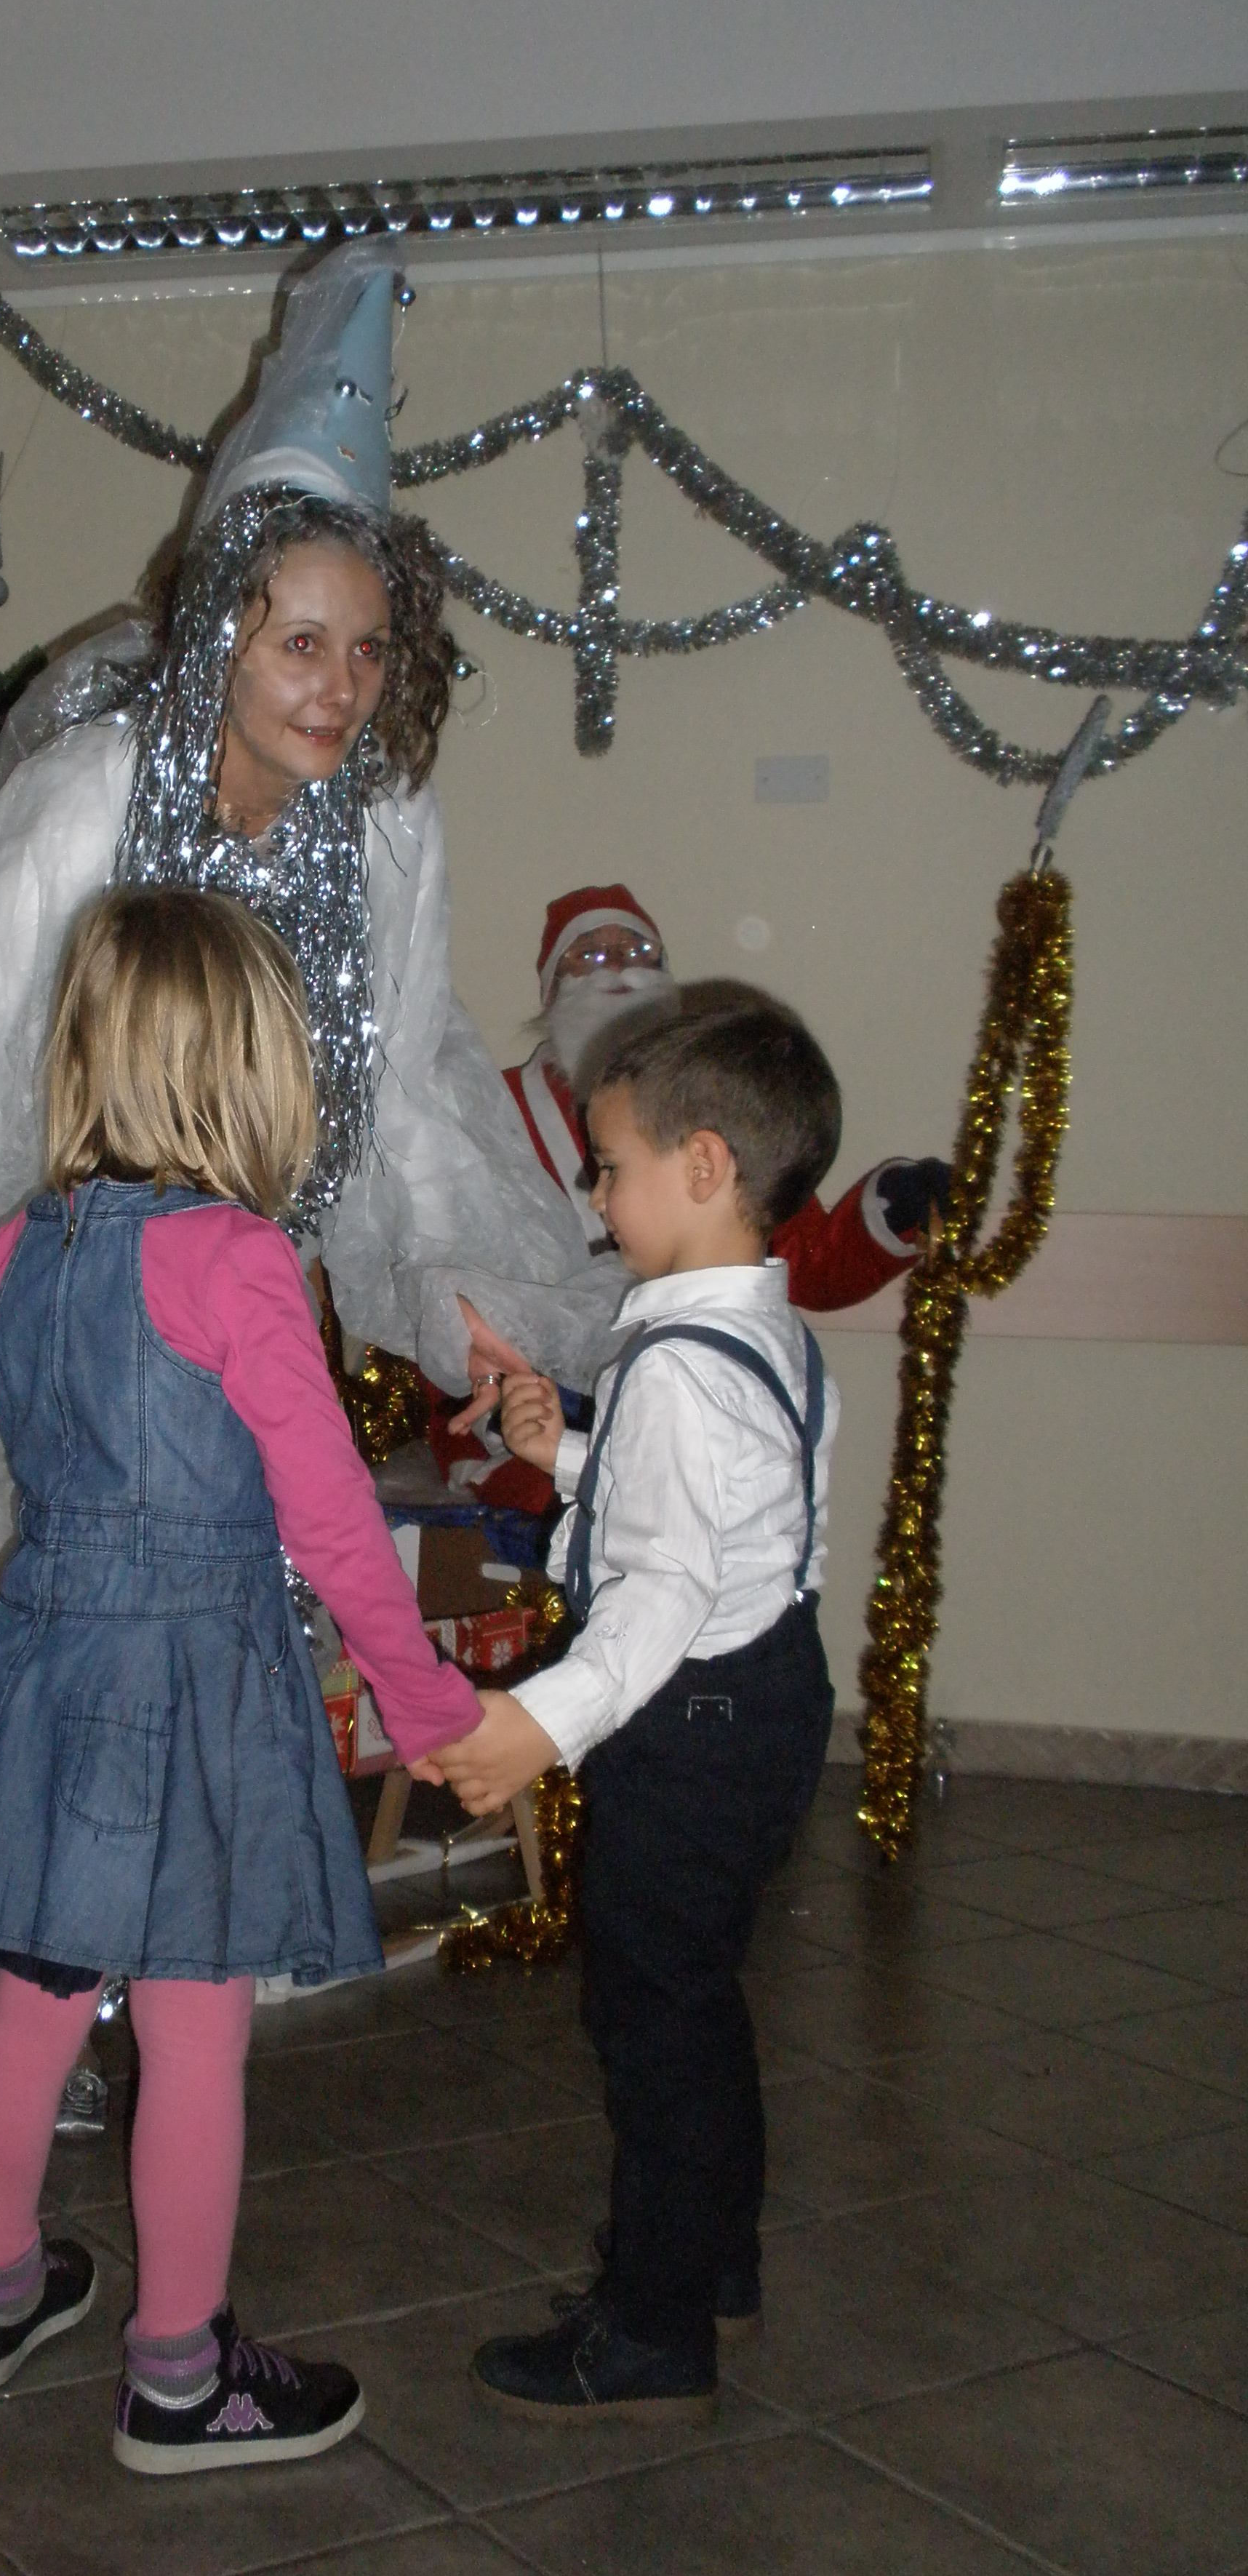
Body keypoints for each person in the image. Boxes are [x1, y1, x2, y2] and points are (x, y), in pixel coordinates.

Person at [0, 242, 625, 1724]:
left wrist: (473, 1292)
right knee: (50, 1687)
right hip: (49, 1300)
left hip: (239, 1316)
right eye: (300, 643)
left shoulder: (386, 826)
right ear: (219, 634)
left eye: (367, 650)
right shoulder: (89, 795)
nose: (339, 687)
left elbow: (405, 1086)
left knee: (215, 1680)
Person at [0, 889, 479, 2473]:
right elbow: (331, 1518)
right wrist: (431, 1708)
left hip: (43, 1671)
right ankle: (179, 2376)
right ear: (252, 1073)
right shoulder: (240, 1262)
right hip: (191, 1684)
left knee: (35, 1998)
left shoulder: (20, 1249)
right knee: (190, 2032)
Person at [436, 991, 842, 2423]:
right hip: (770, 1693)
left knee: (652, 2019)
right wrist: (570, 1451)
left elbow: (661, 1591)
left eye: (609, 1168)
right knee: (697, 1998)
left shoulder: (672, 1370)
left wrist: (538, 1724)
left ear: (705, 1166)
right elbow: (717, 1520)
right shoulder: (768, 1335)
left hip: (689, 1725)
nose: (595, 1195)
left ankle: (657, 2326)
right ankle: (712, 2259)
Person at [510, 882, 949, 1306]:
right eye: (589, 954)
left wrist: (892, 1207)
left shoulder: (716, 1093)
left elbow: (806, 1262)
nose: (618, 968)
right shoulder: (497, 1106)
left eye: (638, 952)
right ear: (551, 990)